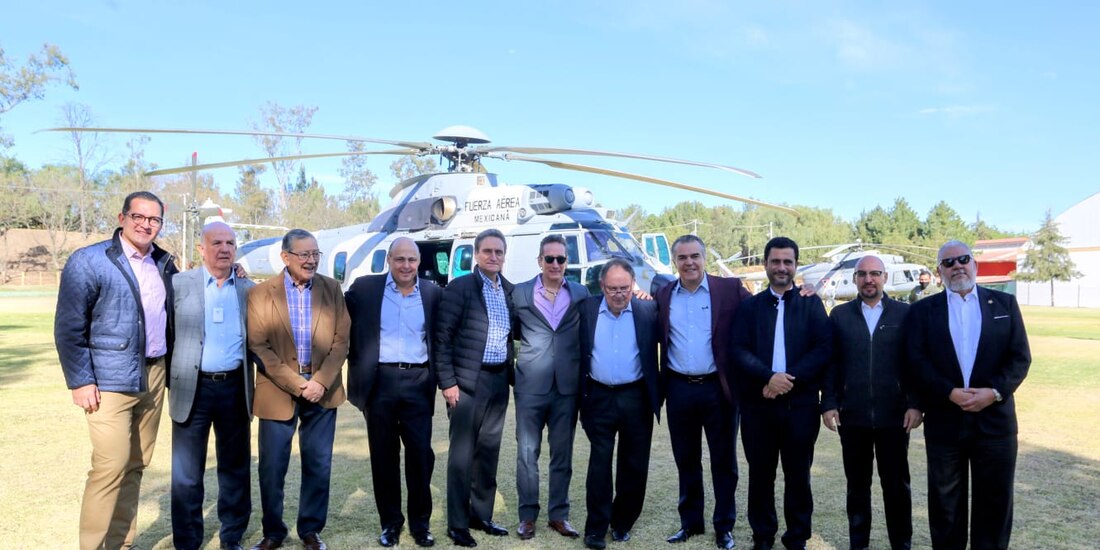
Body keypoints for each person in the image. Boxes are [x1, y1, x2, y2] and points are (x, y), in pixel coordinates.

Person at [55, 191, 177, 550]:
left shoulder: (164, 263)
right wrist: (80, 380)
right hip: (108, 380)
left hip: (154, 375)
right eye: (139, 216)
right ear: (122, 217)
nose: (146, 225)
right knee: (110, 467)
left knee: (137, 465)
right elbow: (68, 328)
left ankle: (121, 544)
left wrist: (234, 268)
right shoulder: (88, 261)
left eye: (154, 220)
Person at [904, 240, 1030, 550]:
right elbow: (915, 360)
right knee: (946, 506)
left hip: (995, 423)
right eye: (949, 262)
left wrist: (995, 392)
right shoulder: (922, 311)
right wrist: (947, 392)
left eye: (963, 259)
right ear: (939, 271)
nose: (957, 265)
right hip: (946, 422)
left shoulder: (1004, 305)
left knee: (995, 504)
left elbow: (1019, 357)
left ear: (974, 264)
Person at [247, 229, 350, 550]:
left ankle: (310, 530)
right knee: (272, 467)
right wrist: (297, 384)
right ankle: (273, 532)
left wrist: (319, 381)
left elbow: (341, 340)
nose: (311, 260)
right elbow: (259, 346)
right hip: (277, 392)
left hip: (323, 390)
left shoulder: (332, 289)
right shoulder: (261, 294)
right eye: (304, 254)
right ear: (285, 257)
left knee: (318, 464)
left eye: (315, 254)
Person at [732, 236, 831, 550]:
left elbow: (823, 348)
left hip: (800, 405)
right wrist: (768, 377)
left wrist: (788, 379)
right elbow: (738, 349)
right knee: (761, 475)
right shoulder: (749, 306)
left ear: (796, 266)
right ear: (765, 265)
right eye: (775, 261)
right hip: (758, 405)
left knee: (798, 475)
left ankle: (797, 536)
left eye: (788, 262)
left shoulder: (811, 303)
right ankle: (762, 536)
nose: (781, 267)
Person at [344, 237, 443, 548]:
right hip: (380, 383)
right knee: (384, 459)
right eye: (400, 259)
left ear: (419, 262)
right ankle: (390, 524)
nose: (406, 266)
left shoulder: (432, 293)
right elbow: (332, 305)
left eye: (412, 260)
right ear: (388, 260)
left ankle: (420, 524)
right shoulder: (364, 288)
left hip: (418, 381)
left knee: (420, 457)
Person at [654, 235, 750, 550]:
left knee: (724, 462)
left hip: (719, 390)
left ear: (704, 258)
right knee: (687, 460)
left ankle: (724, 527)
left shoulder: (730, 290)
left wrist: (797, 293)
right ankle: (691, 523)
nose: (689, 262)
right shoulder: (664, 294)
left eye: (695, 256)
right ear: (674, 262)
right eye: (682, 257)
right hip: (679, 388)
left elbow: (762, 313)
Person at [822, 255, 922, 550]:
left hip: (894, 416)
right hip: (852, 417)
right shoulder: (839, 316)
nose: (869, 279)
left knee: (896, 487)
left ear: (885, 278)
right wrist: (828, 403)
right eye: (863, 274)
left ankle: (901, 543)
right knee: (857, 487)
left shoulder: (905, 314)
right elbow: (831, 365)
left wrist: (915, 403)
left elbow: (915, 363)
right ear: (855, 279)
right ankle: (858, 543)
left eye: (875, 274)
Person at [169, 222, 255, 550]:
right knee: (186, 474)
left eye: (230, 243)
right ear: (201, 249)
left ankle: (231, 535)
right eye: (216, 242)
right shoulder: (179, 284)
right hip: (193, 389)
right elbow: (166, 333)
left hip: (235, 388)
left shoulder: (248, 289)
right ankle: (188, 541)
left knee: (234, 468)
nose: (224, 248)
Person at [434, 228, 516, 547]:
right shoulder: (460, 288)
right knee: (462, 455)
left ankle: (480, 515)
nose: (493, 257)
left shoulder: (508, 290)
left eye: (499, 252)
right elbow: (442, 338)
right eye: (487, 251)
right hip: (467, 382)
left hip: (498, 381)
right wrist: (448, 383)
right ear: (477, 254)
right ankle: (457, 524)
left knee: (488, 453)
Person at [511, 234, 591, 540]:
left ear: (566, 262)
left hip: (567, 387)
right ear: (540, 261)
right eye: (549, 258)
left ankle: (559, 514)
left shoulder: (581, 293)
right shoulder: (519, 294)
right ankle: (527, 515)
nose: (555, 264)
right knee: (527, 453)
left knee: (563, 455)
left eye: (560, 259)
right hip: (530, 386)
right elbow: (510, 331)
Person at [578, 258, 661, 550]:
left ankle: (622, 522)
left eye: (625, 288)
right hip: (598, 397)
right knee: (599, 464)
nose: (619, 294)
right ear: (602, 286)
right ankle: (596, 529)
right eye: (612, 288)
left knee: (634, 464)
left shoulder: (648, 309)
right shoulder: (587, 310)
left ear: (633, 286)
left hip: (636, 397)